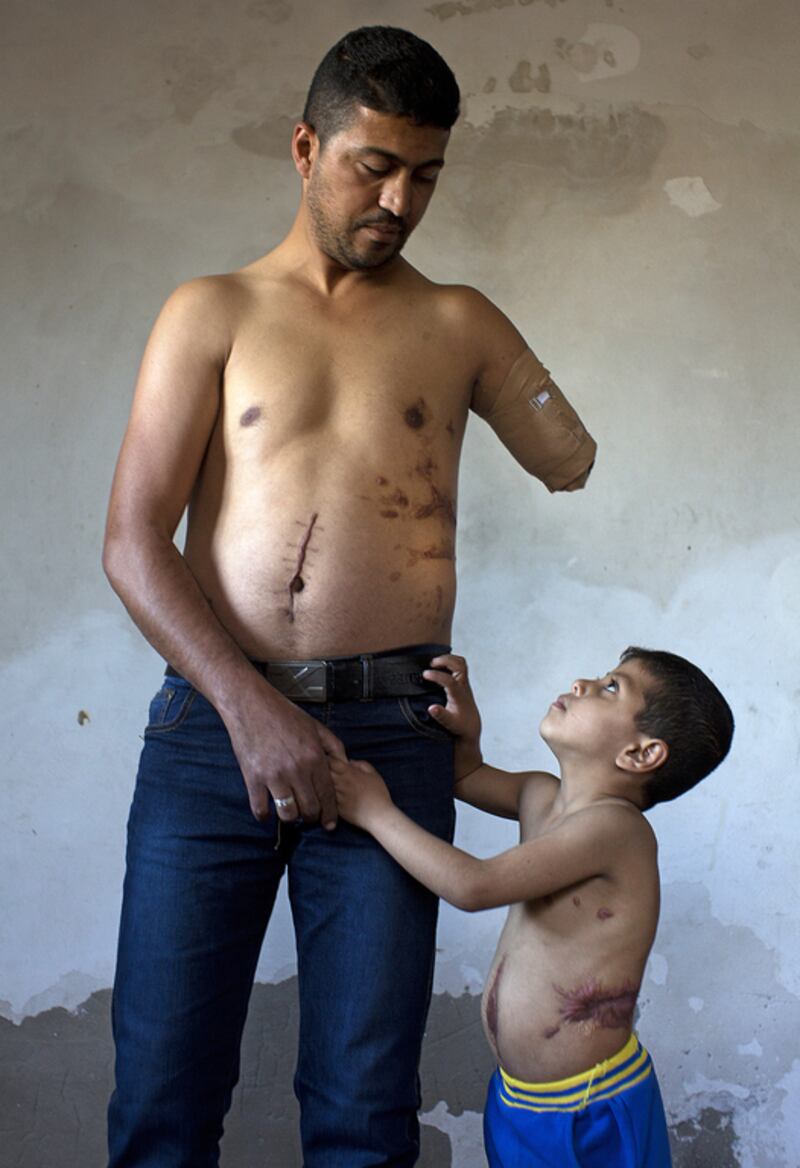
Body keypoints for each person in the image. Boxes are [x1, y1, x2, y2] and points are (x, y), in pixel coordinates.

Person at [102, 25, 597, 1168]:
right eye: (371, 164)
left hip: (391, 731)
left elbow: (567, 460)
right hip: (213, 731)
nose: (397, 197)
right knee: (163, 1104)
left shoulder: (452, 319)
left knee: (365, 1115)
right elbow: (133, 542)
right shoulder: (209, 310)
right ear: (303, 147)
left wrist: (500, 364)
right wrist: (248, 707)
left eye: (423, 173)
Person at [330, 647, 734, 1167]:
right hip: (522, 1100)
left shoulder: (616, 828)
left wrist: (374, 812)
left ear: (640, 754)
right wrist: (467, 730)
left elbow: (473, 886)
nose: (585, 682)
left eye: (612, 688)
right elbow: (464, 774)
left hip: (589, 1110)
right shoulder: (540, 796)